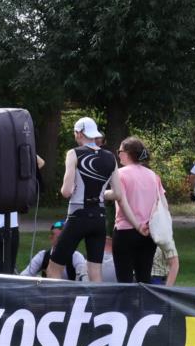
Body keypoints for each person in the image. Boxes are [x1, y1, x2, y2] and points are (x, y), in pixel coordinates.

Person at [48, 117, 125, 282]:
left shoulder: (73, 153)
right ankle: (96, 300)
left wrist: (76, 191)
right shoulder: (110, 157)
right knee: (95, 273)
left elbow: (66, 192)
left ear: (79, 133)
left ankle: (60, 299)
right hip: (99, 218)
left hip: (78, 216)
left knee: (53, 269)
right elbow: (118, 194)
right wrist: (99, 194)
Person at [109, 136, 159, 283]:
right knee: (144, 278)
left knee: (124, 279)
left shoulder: (120, 174)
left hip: (125, 231)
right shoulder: (152, 175)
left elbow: (122, 202)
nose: (118, 155)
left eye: (119, 151)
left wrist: (137, 225)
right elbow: (159, 202)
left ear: (127, 153)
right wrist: (147, 223)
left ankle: (126, 300)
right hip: (148, 231)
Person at [20, 220, 86, 280]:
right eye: (58, 238)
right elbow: (24, 276)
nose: (62, 241)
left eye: (62, 237)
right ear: (50, 238)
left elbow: (83, 279)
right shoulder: (42, 256)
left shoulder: (76, 257)